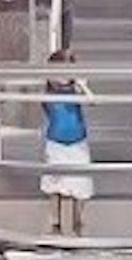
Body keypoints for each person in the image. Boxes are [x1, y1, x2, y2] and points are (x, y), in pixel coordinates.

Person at [39, 48, 94, 234]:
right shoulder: (49, 92)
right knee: (55, 185)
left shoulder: (76, 90)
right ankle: (55, 222)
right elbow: (47, 109)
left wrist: (82, 86)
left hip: (78, 142)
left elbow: (92, 101)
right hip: (56, 143)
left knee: (80, 184)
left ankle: (79, 221)